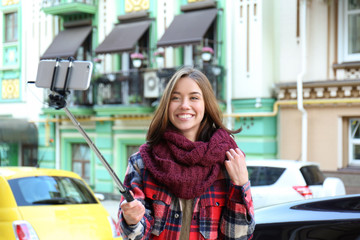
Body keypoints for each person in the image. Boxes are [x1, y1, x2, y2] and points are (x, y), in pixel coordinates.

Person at [117, 66, 255, 240]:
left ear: (206, 104)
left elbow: (238, 237)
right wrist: (132, 221)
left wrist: (241, 184)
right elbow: (133, 237)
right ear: (167, 104)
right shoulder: (142, 162)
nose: (184, 105)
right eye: (175, 98)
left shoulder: (228, 160)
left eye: (194, 97)